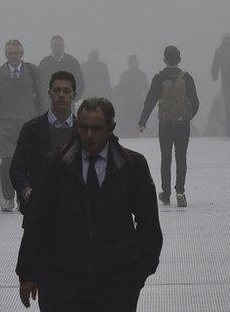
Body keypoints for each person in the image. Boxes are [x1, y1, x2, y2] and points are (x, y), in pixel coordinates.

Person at [17, 97, 163, 311]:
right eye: (83, 127)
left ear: (111, 128)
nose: (89, 135)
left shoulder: (132, 166)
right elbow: (36, 222)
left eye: (96, 128)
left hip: (116, 285)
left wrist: (137, 274)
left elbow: (149, 225)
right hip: (61, 284)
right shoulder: (55, 165)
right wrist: (27, 273)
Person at [0, 39, 45, 212]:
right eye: (9, 53)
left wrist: (43, 121)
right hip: (6, 125)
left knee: (28, 161)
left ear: (21, 54)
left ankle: (23, 196)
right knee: (7, 162)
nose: (12, 56)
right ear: (5, 54)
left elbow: (41, 98)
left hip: (29, 123)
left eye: (15, 53)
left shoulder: (33, 71)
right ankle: (8, 198)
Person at [138, 45, 200, 207]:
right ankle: (180, 191)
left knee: (165, 158)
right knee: (181, 157)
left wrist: (142, 121)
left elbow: (150, 100)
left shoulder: (159, 77)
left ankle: (166, 193)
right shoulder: (186, 77)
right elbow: (195, 102)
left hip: (165, 124)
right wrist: (187, 117)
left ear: (164, 59)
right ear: (179, 59)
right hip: (182, 124)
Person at [11, 70, 79, 214]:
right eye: (56, 90)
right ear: (49, 94)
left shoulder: (83, 131)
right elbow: (17, 168)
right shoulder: (32, 129)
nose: (61, 95)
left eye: (66, 91)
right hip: (38, 213)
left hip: (74, 213)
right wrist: (25, 190)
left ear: (74, 95)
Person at [112, 55, 148, 138]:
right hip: (133, 101)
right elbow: (146, 89)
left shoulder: (126, 75)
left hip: (130, 101)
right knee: (133, 119)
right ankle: (134, 135)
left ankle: (132, 135)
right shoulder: (141, 75)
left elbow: (146, 89)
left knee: (131, 118)